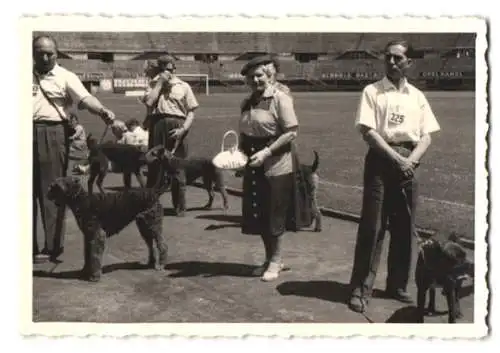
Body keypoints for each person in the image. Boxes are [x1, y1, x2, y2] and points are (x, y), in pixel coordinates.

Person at [347, 40, 441, 313]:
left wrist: (410, 161)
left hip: (409, 164)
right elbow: (368, 131)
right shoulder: (372, 91)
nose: (392, 62)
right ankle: (360, 288)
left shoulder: (417, 96)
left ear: (409, 63)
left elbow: (426, 136)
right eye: (388, 57)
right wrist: (397, 158)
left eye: (398, 58)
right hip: (381, 161)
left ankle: (397, 285)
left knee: (405, 228)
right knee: (372, 228)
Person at [33, 34, 123, 264]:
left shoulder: (65, 76)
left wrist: (104, 113)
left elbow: (85, 99)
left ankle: (51, 247)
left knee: (50, 190)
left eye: (49, 53)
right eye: (40, 52)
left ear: (56, 53)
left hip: (50, 133)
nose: (44, 57)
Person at [238, 55, 313, 282]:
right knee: (260, 213)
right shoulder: (247, 102)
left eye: (259, 75)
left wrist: (267, 152)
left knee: (275, 214)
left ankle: (276, 260)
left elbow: (291, 132)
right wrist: (240, 156)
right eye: (251, 78)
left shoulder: (280, 99)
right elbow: (244, 132)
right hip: (254, 163)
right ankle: (269, 259)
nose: (255, 80)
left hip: (276, 163)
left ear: (267, 75)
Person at [142, 55, 199, 216]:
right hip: (158, 124)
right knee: (154, 166)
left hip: (178, 125)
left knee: (178, 167)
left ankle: (180, 207)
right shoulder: (153, 84)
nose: (166, 72)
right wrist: (159, 83)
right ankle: (150, 205)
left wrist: (183, 129)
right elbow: (149, 103)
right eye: (162, 69)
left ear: (174, 68)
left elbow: (192, 112)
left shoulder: (184, 86)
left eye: (169, 69)